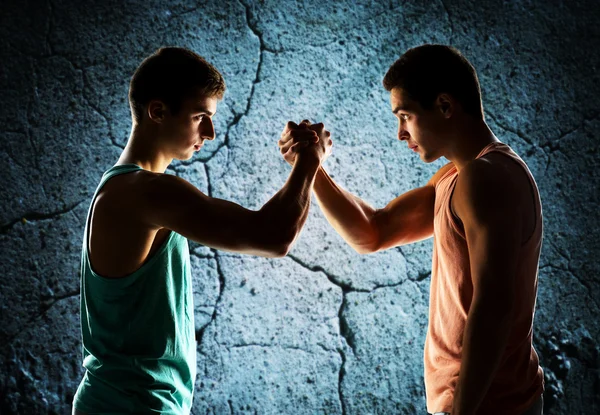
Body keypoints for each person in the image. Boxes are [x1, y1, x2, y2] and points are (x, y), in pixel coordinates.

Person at [279, 44, 544, 415]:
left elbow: (494, 307)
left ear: (445, 106)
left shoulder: (485, 179)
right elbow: (372, 231)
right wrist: (312, 166)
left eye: (405, 116)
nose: (401, 133)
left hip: (489, 405)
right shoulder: (458, 177)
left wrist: (464, 411)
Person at [72, 47, 331, 415]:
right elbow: (274, 236)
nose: (209, 132)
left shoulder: (127, 189)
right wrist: (309, 158)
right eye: (200, 117)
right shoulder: (144, 193)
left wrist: (306, 164)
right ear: (158, 112)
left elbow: (274, 229)